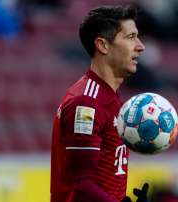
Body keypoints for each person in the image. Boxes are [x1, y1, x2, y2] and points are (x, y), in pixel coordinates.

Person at [50, 5, 148, 202]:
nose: (140, 45)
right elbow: (81, 185)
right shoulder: (85, 103)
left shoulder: (112, 99)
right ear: (103, 45)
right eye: (130, 37)